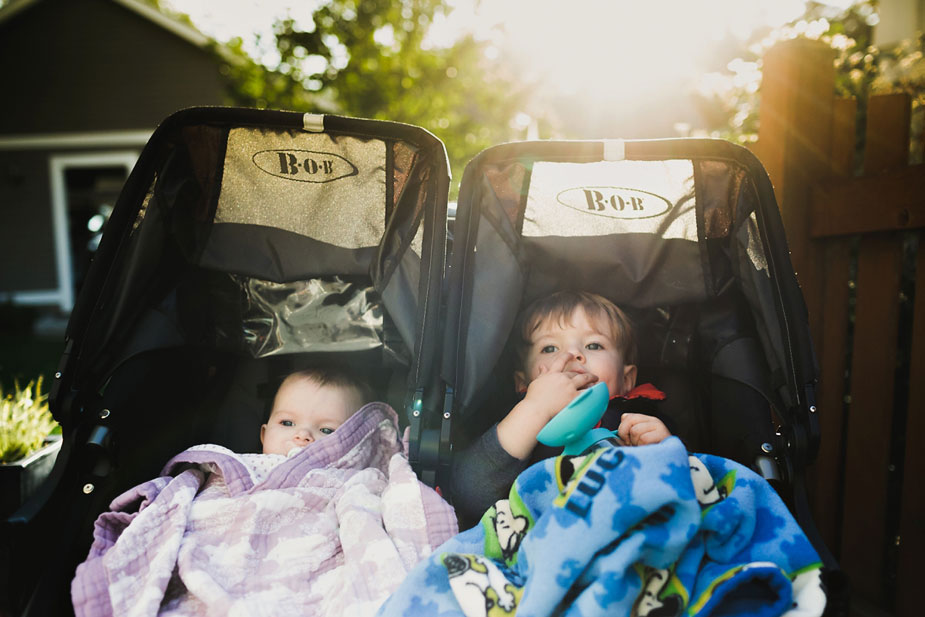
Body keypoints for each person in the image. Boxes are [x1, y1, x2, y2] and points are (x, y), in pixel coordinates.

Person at [450, 290, 673, 523]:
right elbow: (469, 494)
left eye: (594, 345)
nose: (572, 354)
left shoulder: (643, 419)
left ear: (627, 379)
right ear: (523, 382)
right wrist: (535, 407)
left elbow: (689, 487)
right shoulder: (517, 423)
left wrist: (666, 451)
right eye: (550, 348)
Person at [260, 367, 370, 455]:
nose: (302, 436)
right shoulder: (248, 469)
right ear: (264, 435)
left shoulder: (353, 479)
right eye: (287, 423)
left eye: (327, 430)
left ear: (357, 449)